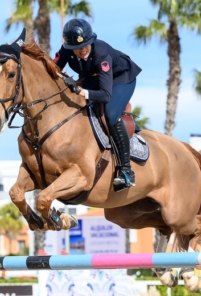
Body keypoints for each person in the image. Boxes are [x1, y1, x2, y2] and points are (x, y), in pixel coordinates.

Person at [53, 18, 142, 190]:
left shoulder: (101, 55)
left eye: (86, 44)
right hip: (94, 79)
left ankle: (126, 172)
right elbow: (53, 68)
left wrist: (80, 91)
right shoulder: (65, 50)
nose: (83, 49)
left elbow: (105, 95)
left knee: (110, 114)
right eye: (78, 48)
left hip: (121, 79)